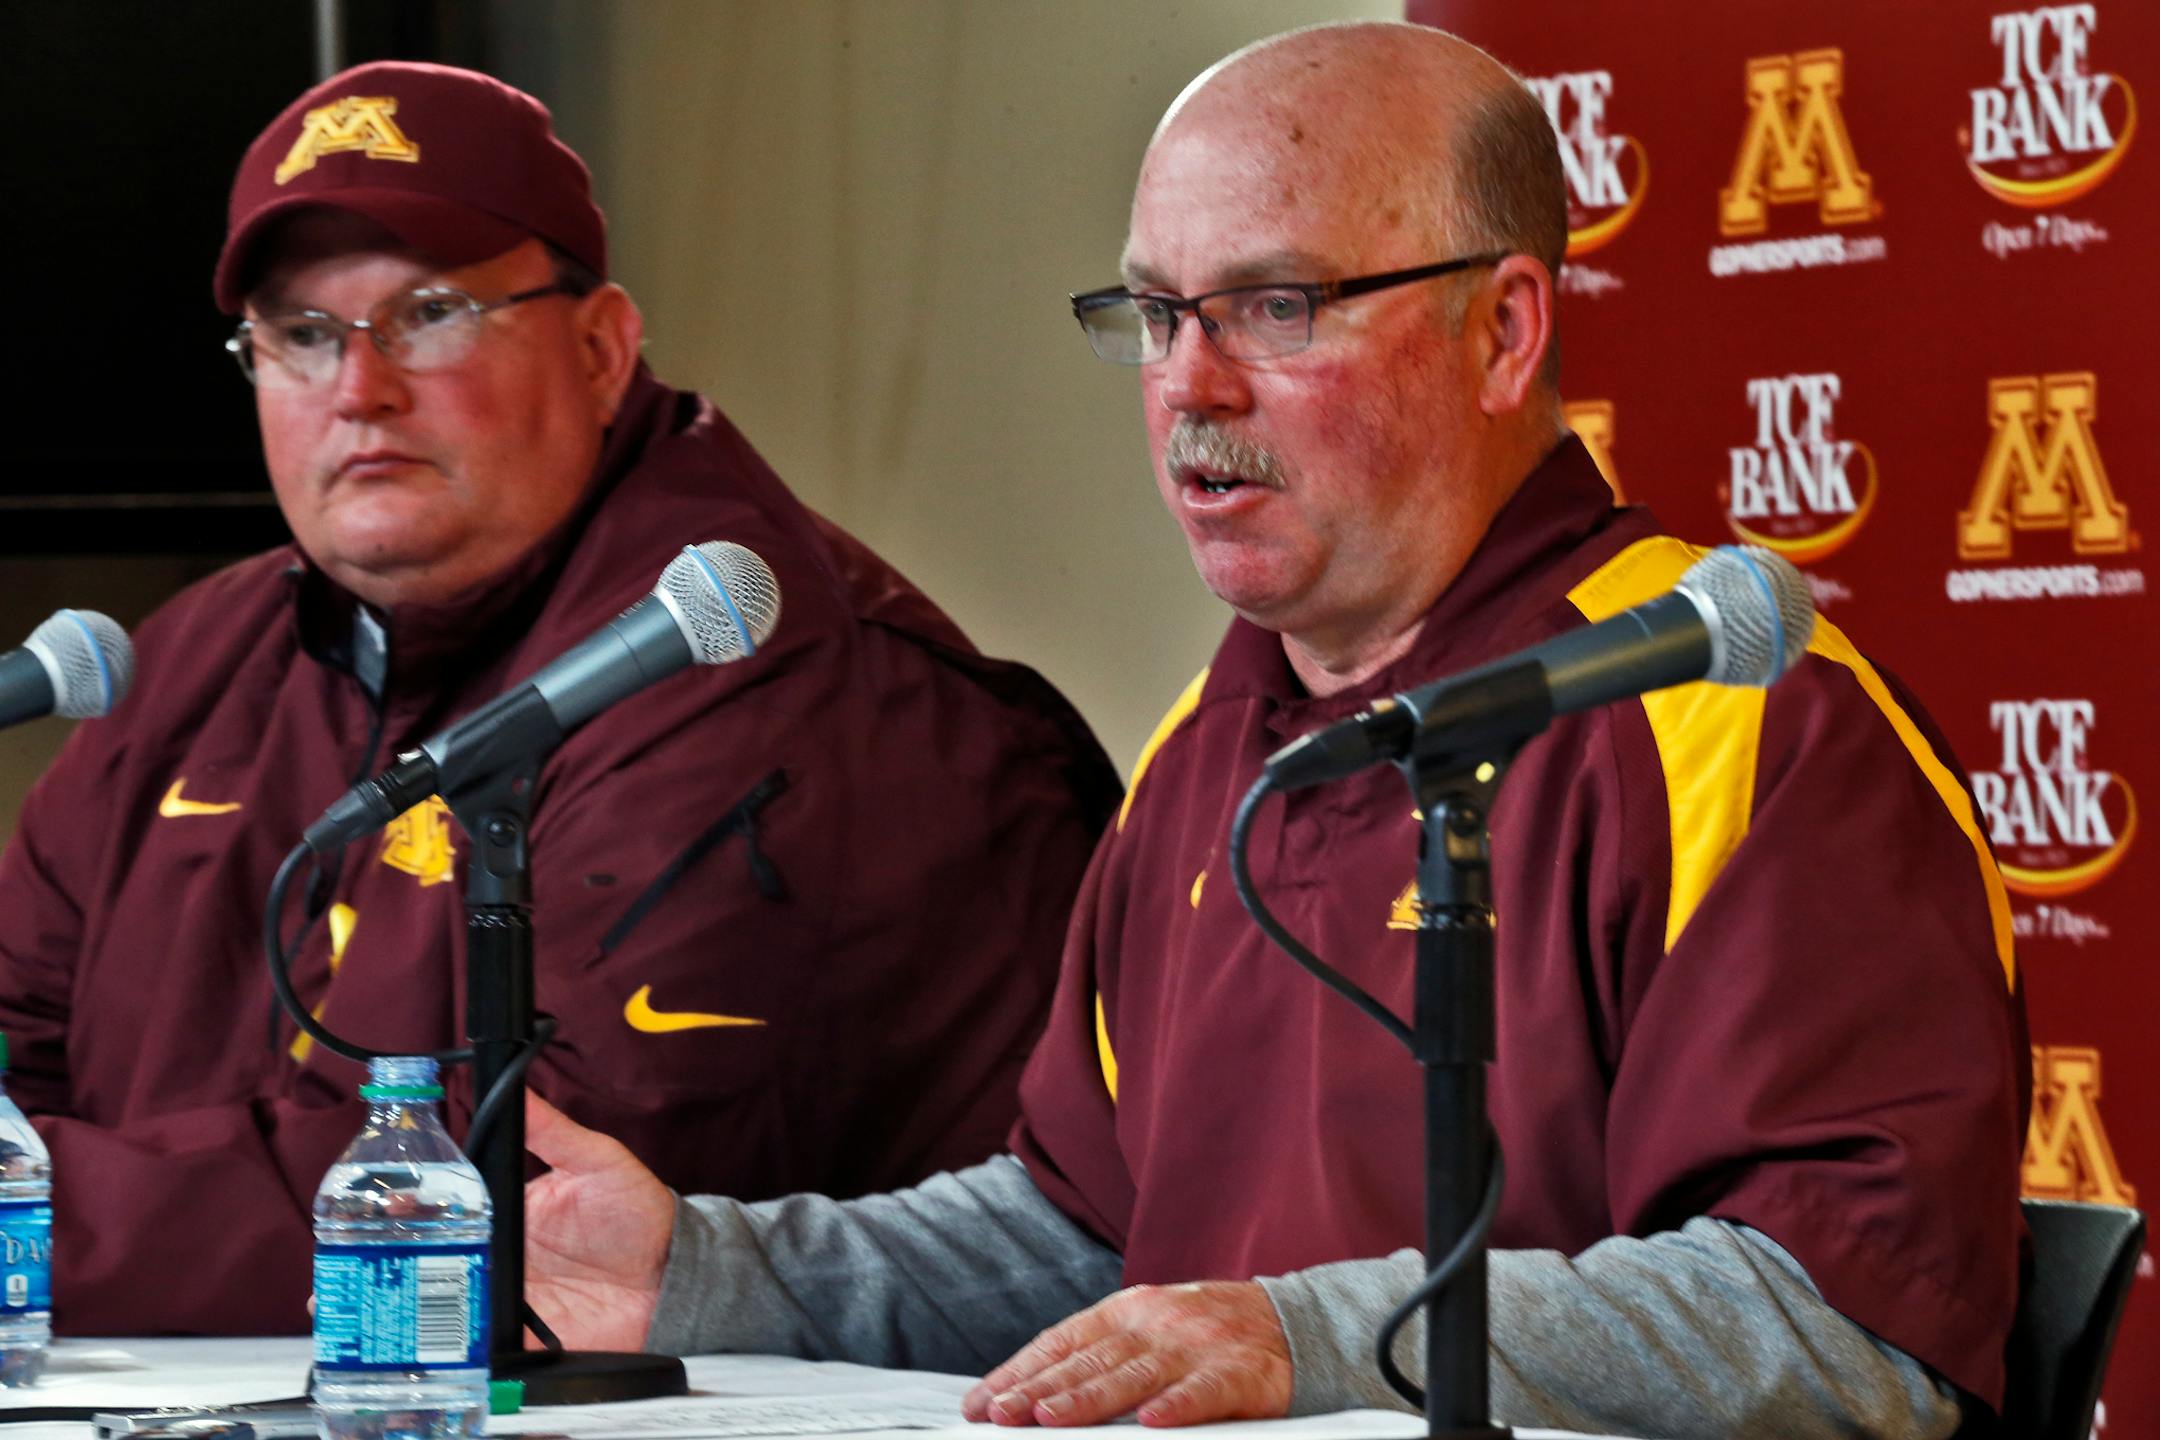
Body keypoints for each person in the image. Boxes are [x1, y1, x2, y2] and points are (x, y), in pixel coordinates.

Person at [518, 23, 2027, 1437]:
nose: (1189, 382)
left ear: (1504, 331)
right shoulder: (1209, 740)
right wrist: (702, 1270)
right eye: (1157, 313)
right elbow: (1092, 1239)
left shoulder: (1729, 713)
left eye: (1276, 305)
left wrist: (1305, 1339)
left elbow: (1841, 1328)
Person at [0, 60, 1120, 1336]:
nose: (357, 388)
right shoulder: (205, 652)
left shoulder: (755, 672)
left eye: (428, 314)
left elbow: (521, 1202)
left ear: (601, 350)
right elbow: (14, 1052)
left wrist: (41, 1220)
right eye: (300, 335)